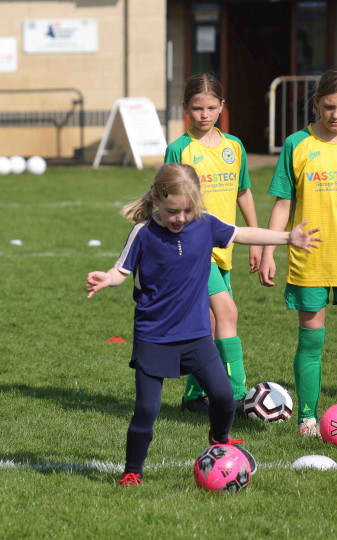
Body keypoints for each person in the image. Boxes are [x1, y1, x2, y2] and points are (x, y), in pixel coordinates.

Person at [86, 163, 320, 486]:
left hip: (196, 335)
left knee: (224, 398)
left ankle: (219, 438)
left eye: (186, 210)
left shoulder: (205, 224)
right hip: (154, 336)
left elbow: (241, 233)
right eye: (172, 212)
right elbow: (120, 271)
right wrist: (105, 279)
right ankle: (132, 471)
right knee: (147, 409)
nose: (180, 218)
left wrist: (287, 238)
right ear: (155, 198)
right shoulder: (143, 233)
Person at [164, 74, 260, 415]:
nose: (204, 115)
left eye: (210, 108)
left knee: (207, 324)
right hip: (192, 249)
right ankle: (238, 395)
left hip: (225, 248)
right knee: (226, 313)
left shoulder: (234, 147)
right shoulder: (180, 148)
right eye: (196, 108)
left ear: (222, 106)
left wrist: (255, 239)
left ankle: (194, 396)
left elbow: (243, 191)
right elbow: (168, 198)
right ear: (186, 109)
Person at [259, 69, 337, 437]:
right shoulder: (296, 144)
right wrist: (268, 249)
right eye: (330, 106)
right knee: (311, 340)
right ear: (316, 103)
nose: (335, 114)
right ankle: (307, 417)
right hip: (312, 259)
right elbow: (282, 205)